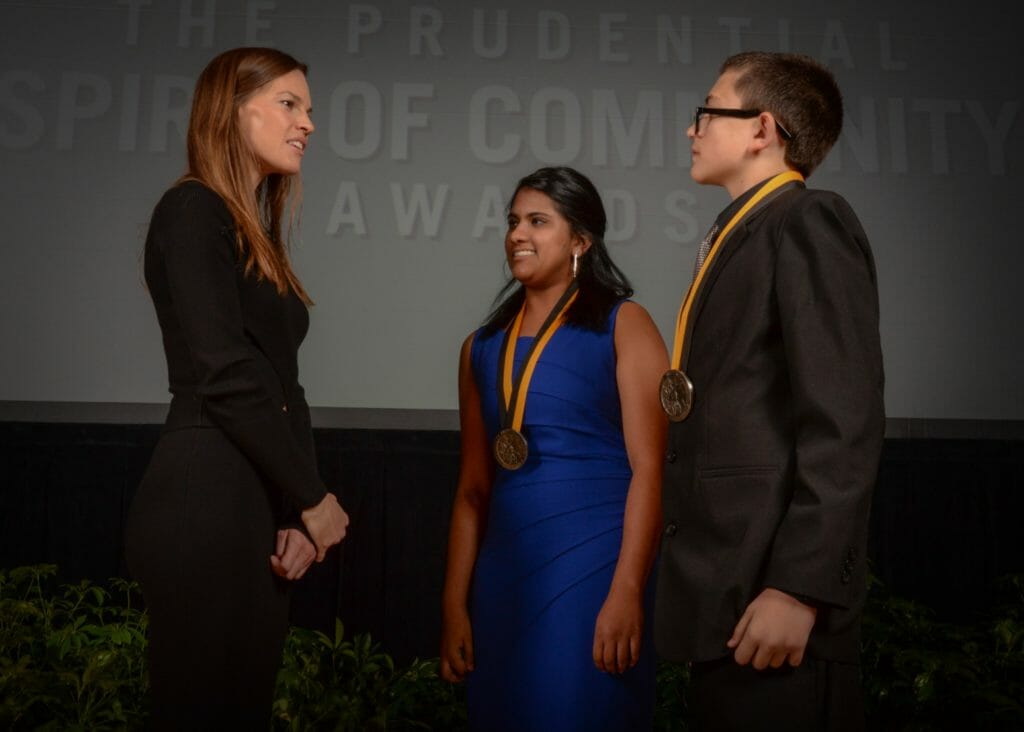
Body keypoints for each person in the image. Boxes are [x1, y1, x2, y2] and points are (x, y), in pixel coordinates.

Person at [653, 51, 885, 731]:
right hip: (727, 596)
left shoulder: (808, 221)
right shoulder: (739, 232)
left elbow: (842, 423)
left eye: (707, 110)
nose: (692, 129)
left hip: (776, 602)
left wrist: (799, 588)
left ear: (761, 129)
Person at [124, 47, 349, 729]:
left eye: (309, 108)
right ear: (232, 109)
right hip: (205, 496)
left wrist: (294, 512)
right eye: (290, 104)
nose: (308, 123)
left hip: (251, 500)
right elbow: (225, 375)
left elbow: (283, 385)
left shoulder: (254, 233)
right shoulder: (193, 210)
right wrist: (313, 499)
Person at [439, 166, 668, 730]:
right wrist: (453, 607)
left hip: (595, 575)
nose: (518, 233)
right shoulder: (479, 347)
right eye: (513, 221)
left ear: (580, 242)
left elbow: (652, 471)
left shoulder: (625, 323)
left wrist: (628, 590)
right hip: (503, 580)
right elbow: (472, 492)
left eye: (538, 221)